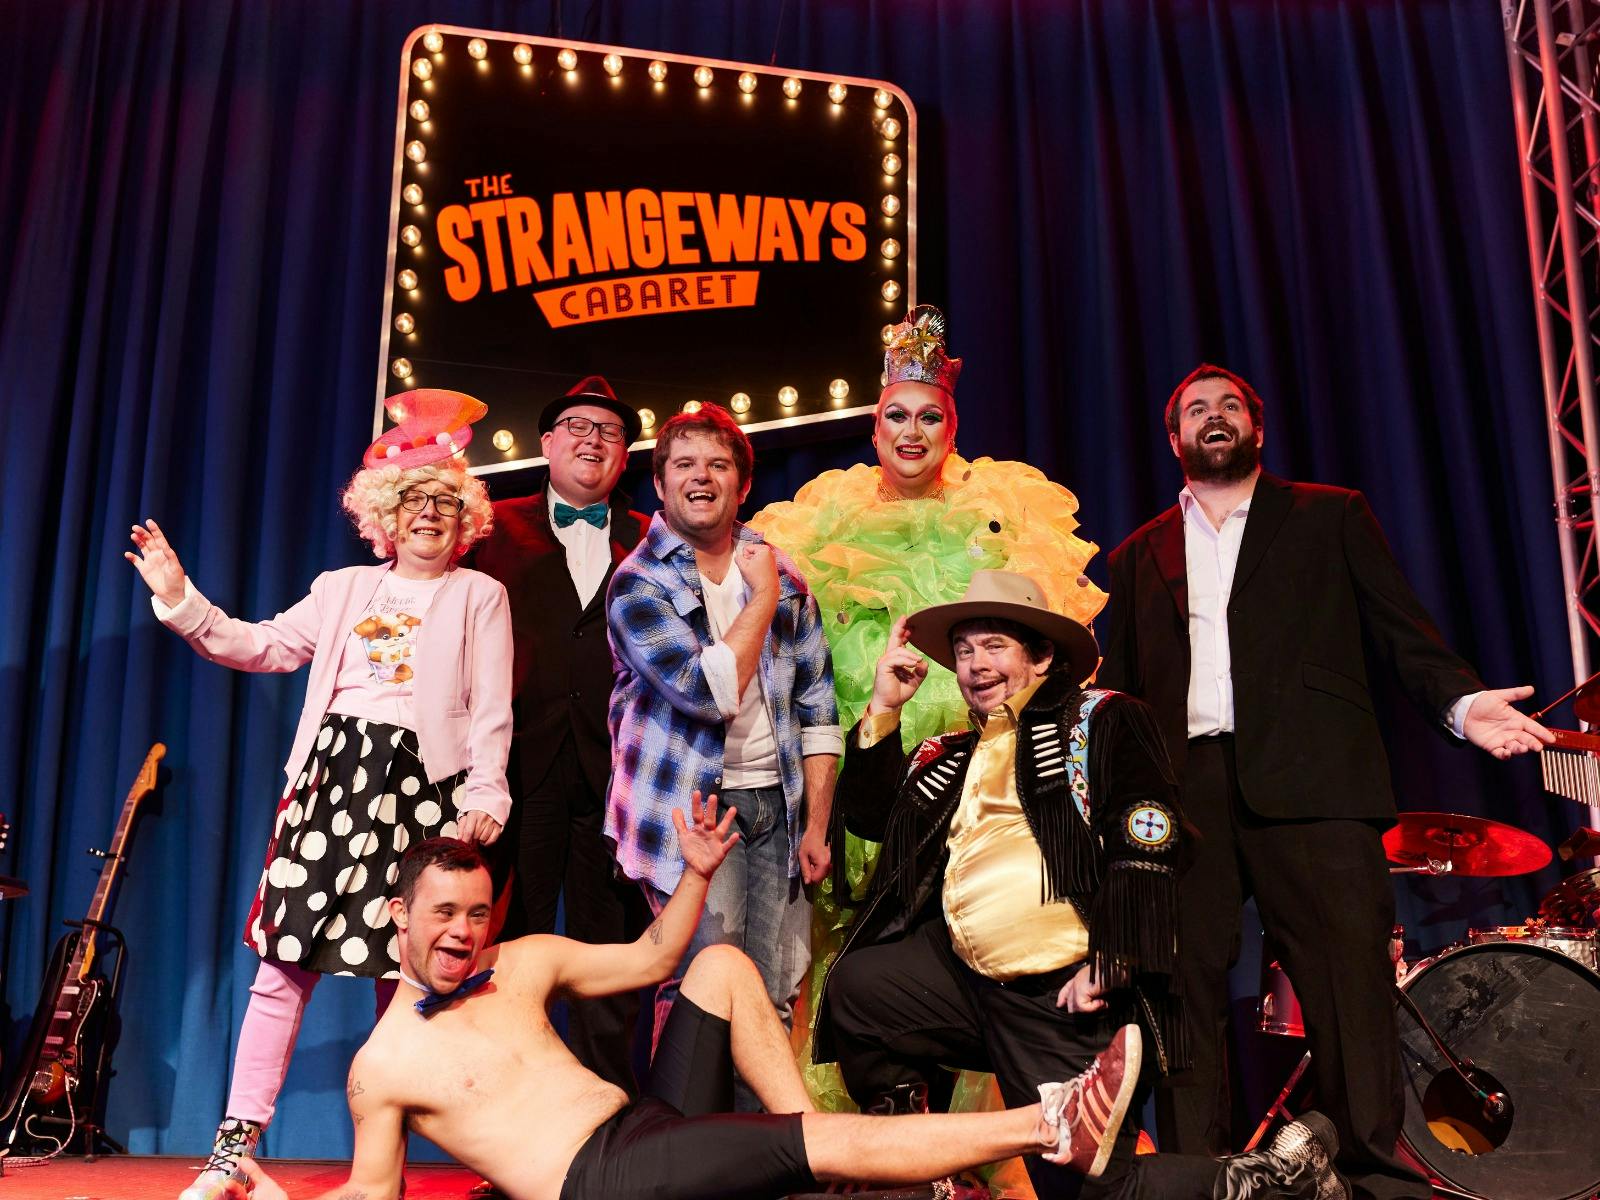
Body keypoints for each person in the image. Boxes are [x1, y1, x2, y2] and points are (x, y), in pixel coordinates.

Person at [226, 829, 1344, 1200]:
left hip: (643, 1128)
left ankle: (807, 1161)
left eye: (475, 911)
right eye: (443, 916)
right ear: (398, 916)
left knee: (716, 968)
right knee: (811, 1142)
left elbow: (662, 956)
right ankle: (1048, 1122)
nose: (464, 932)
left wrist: (699, 872)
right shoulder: (382, 1065)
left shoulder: (522, 960)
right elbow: (373, 1194)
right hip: (602, 1185)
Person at [1096, 363, 1553, 1199]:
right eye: (1196, 410)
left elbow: (1399, 628)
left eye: (1230, 405)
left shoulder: (1328, 515)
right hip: (1184, 791)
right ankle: (1203, 1176)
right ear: (1174, 440)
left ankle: (1374, 1174)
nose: (1215, 416)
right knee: (1181, 987)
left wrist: (1460, 702)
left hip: (1313, 781)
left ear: (1257, 429)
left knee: (1348, 981)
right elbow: (1118, 700)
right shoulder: (1137, 556)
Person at [128, 389, 513, 1200]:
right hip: (332, 782)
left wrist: (487, 794)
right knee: (281, 970)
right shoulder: (340, 588)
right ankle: (230, 1153)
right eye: (413, 501)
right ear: (384, 516)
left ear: (464, 516)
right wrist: (180, 597)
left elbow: (490, 711)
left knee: (405, 985)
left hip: (421, 792)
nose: (429, 515)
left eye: (444, 502)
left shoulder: (482, 597)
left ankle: (389, 1162)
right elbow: (262, 646)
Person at [750, 305, 1106, 1122]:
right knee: (853, 945)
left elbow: (1047, 664)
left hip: (979, 789)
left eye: (930, 416)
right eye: (896, 416)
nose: (912, 432)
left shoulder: (1004, 516)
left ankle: (980, 1138)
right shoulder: (818, 523)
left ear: (953, 426)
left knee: (978, 937)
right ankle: (862, 1138)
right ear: (874, 426)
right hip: (861, 781)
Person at [605, 404, 841, 1105]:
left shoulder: (780, 568)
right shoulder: (638, 584)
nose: (701, 477)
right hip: (694, 817)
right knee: (701, 991)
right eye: (685, 464)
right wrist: (762, 595)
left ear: (741, 483)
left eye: (718, 464)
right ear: (661, 484)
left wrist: (818, 823)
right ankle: (683, 1160)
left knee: (772, 994)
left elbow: (818, 706)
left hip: (780, 807)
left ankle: (754, 1162)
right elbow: (707, 691)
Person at [470, 374, 652, 1095]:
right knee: (513, 951)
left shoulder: (650, 536)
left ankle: (608, 1133)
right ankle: (514, 1129)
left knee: (611, 959)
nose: (592, 439)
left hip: (617, 775)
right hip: (519, 769)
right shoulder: (490, 525)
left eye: (608, 431)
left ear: (626, 454)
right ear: (546, 443)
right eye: (576, 425)